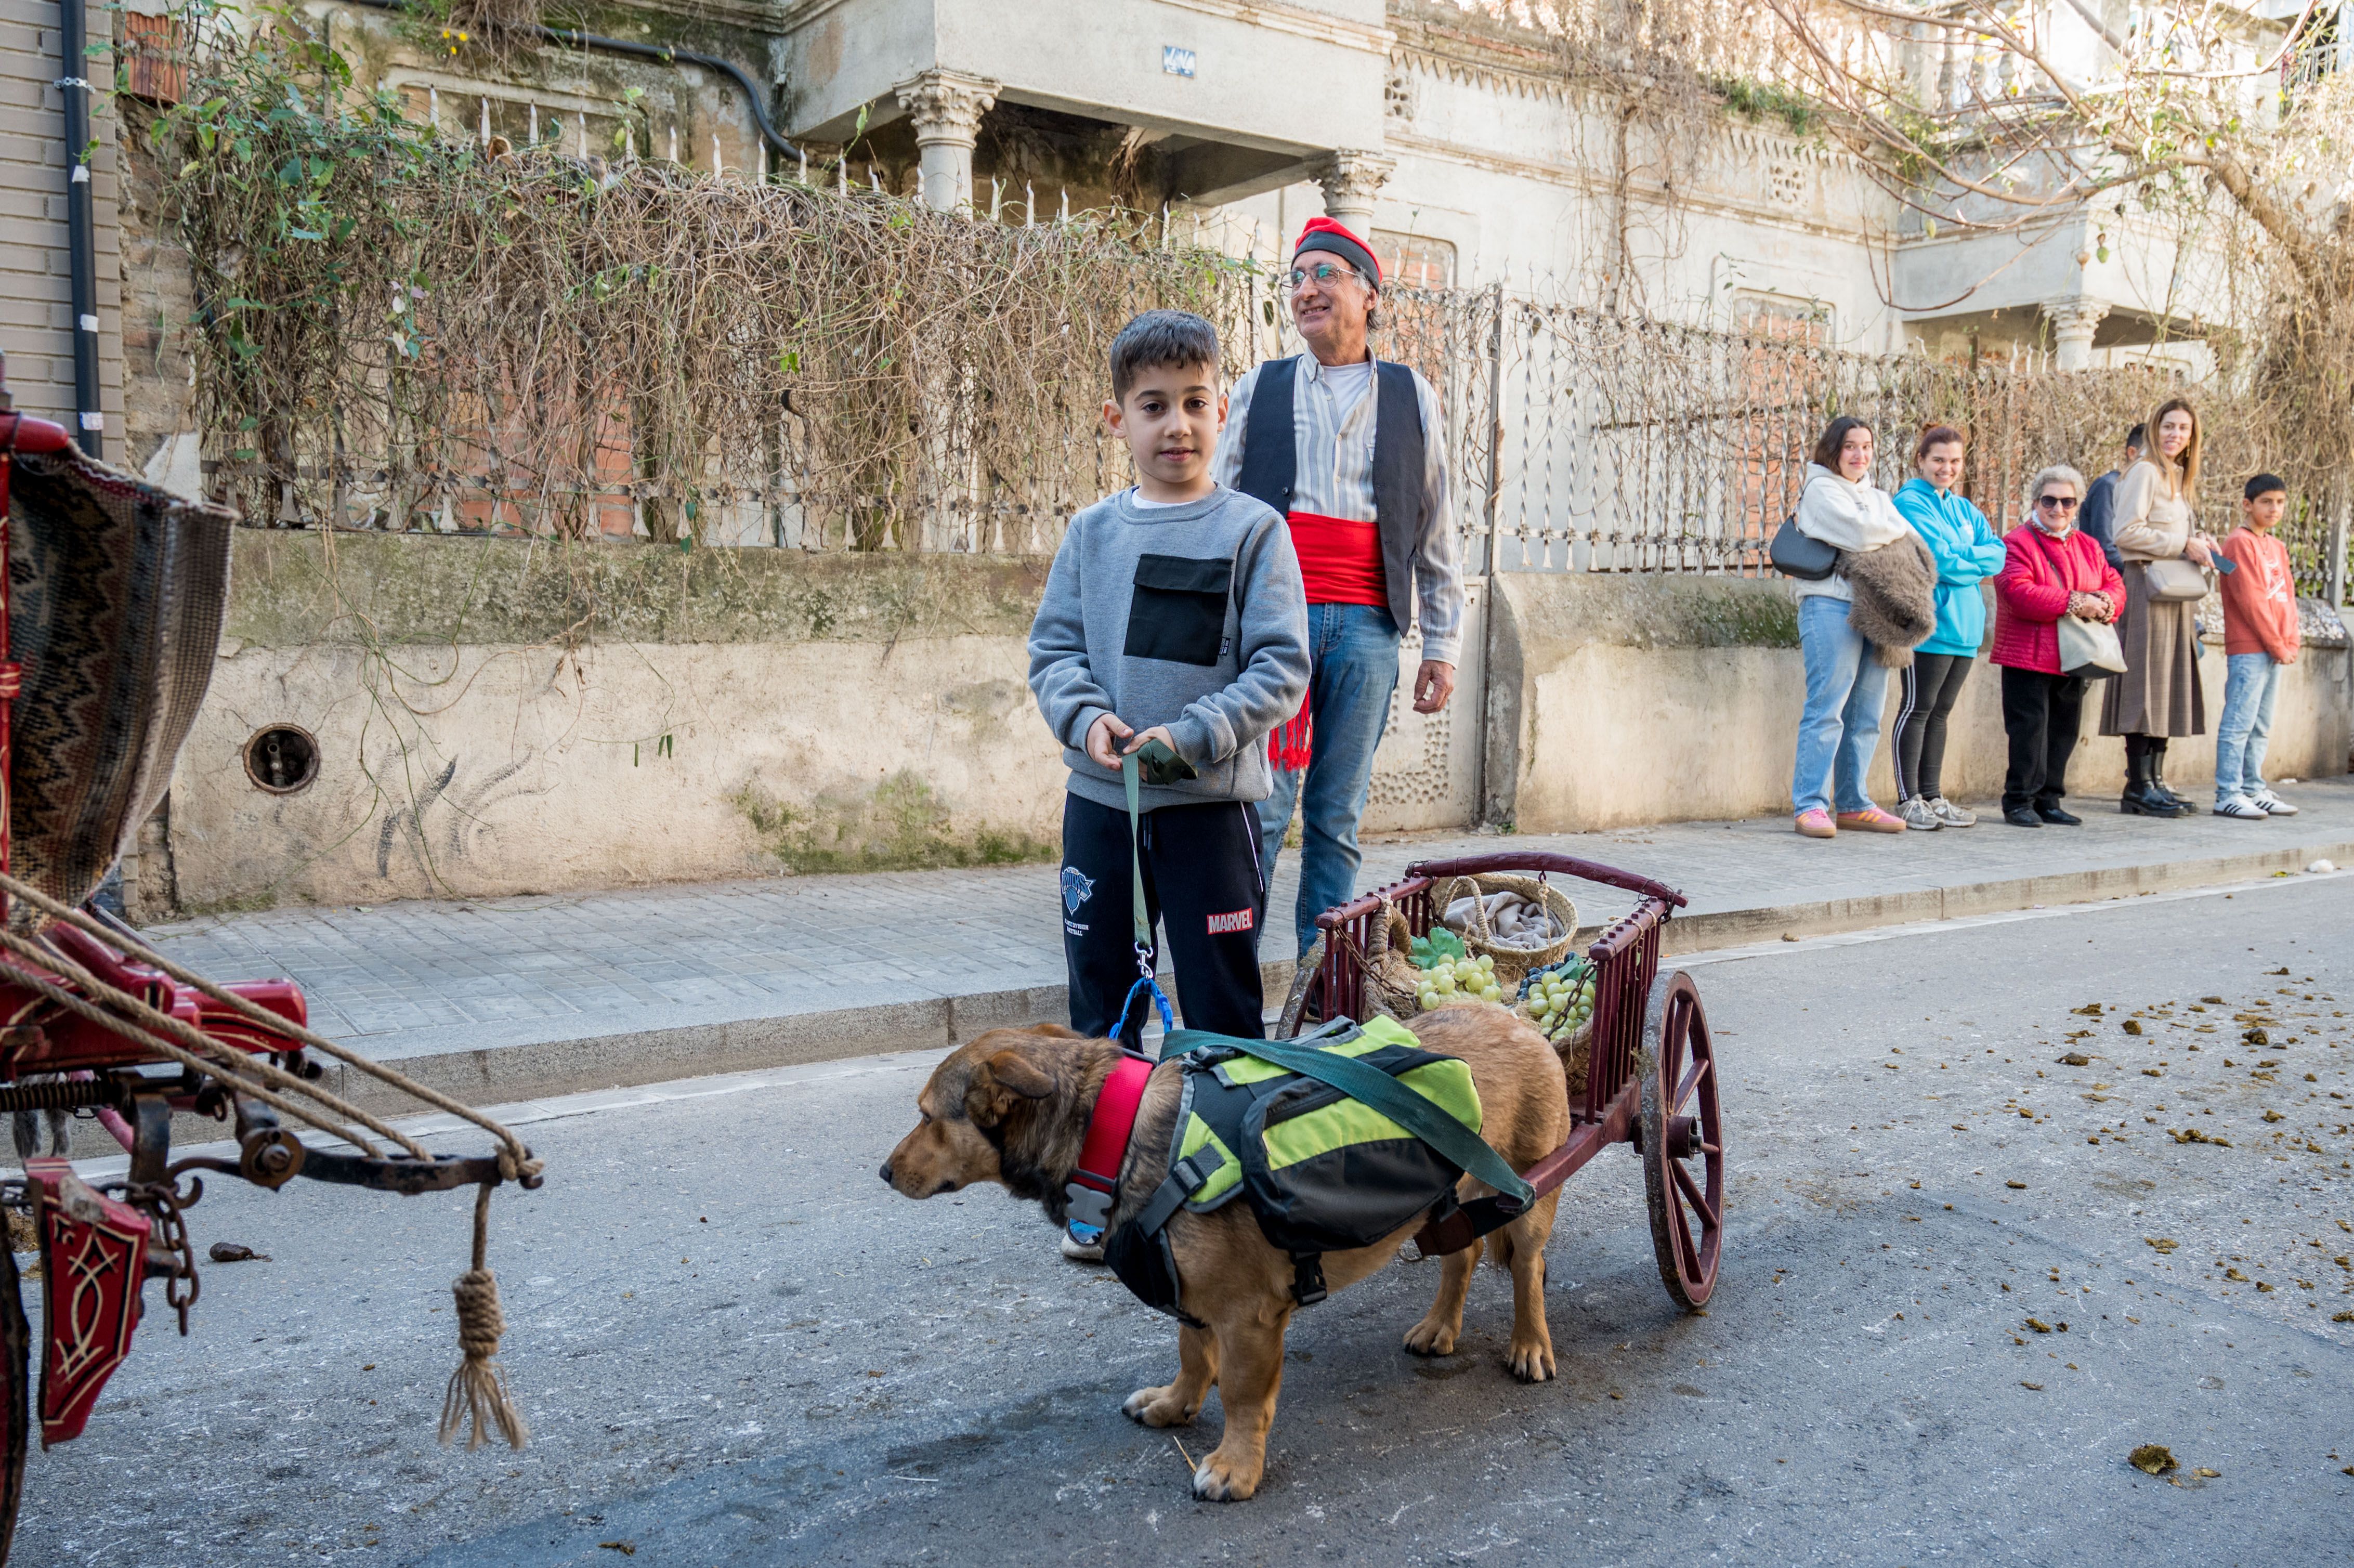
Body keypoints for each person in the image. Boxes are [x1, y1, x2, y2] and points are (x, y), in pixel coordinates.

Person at [1027, 309, 1312, 1053]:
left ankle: (1221, 1155)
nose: (1177, 424)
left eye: (1194, 402)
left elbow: (1281, 668)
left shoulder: (1254, 532)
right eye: (1154, 406)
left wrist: (1191, 737)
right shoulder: (1092, 533)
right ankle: (1108, 1155)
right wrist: (1086, 720)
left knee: (1221, 1005)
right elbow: (1054, 653)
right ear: (1117, 419)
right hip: (1101, 808)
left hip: (1210, 816)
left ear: (1222, 411)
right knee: (1102, 1008)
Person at [1214, 217, 1464, 955]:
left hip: (1366, 628)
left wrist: (1442, 645)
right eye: (1296, 278)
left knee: (1336, 817)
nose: (1306, 289)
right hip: (1275, 623)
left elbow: (1435, 523)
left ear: (1369, 295)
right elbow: (1223, 510)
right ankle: (1230, 978)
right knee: (1258, 806)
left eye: (1324, 274)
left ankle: (1322, 982)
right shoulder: (1260, 387)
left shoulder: (1411, 394)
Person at [1789, 416, 1911, 838]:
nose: (1860, 455)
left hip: (1873, 609)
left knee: (1868, 712)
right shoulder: (1820, 490)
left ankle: (1855, 802)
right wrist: (1891, 530)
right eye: (1850, 447)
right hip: (1828, 604)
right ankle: (1810, 805)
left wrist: (1892, 530)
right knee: (1828, 708)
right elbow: (1861, 536)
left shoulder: (1877, 496)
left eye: (1867, 447)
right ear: (1833, 451)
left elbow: (1907, 540)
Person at [2099, 398, 2220, 816]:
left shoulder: (2179, 478)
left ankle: (2157, 781)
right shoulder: (2145, 471)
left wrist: (2199, 542)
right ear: (2155, 428)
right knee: (2144, 685)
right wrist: (2180, 543)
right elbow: (2126, 532)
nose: (2175, 435)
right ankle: (2138, 785)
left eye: (2184, 429)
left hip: (2175, 593)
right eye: (2169, 426)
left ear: (2192, 437)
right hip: (2147, 586)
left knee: (2167, 684)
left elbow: (2168, 530)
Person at [1991, 466, 2124, 827]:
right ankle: (2018, 800)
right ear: (2035, 501)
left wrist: (2106, 604)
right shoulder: (2016, 542)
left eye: (2067, 501)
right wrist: (2076, 602)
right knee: (2028, 731)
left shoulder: (2089, 546)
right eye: (2049, 500)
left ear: (2078, 505)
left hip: (2074, 656)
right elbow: (2018, 592)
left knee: (2064, 731)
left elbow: (2114, 584)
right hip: (2028, 655)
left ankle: (2049, 800)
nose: (2058, 508)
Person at [1890, 425, 2008, 829]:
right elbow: (1937, 558)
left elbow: (1998, 554)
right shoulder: (1909, 502)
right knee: (1917, 709)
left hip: (1966, 629)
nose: (1947, 468)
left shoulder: (1963, 508)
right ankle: (1909, 799)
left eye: (1955, 461)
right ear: (1921, 460)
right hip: (1930, 626)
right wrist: (1969, 558)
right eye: (1938, 459)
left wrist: (1965, 557)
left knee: (1940, 713)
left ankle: (1933, 795)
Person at [2212, 473, 2302, 819]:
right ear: (2248, 505)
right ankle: (2228, 793)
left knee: (2261, 723)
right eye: (2266, 502)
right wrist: (2277, 644)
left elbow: (2288, 597)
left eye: (2280, 502)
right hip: (2251, 646)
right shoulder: (2238, 542)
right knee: (2239, 721)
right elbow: (2249, 599)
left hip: (2275, 646)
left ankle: (2253, 787)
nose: (2274, 508)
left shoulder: (2276, 546)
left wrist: (2290, 640)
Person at [2078, 423, 2144, 572]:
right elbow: (2105, 551)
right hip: (2109, 587)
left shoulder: (2140, 492)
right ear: (2132, 453)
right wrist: (2145, 575)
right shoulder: (2109, 487)